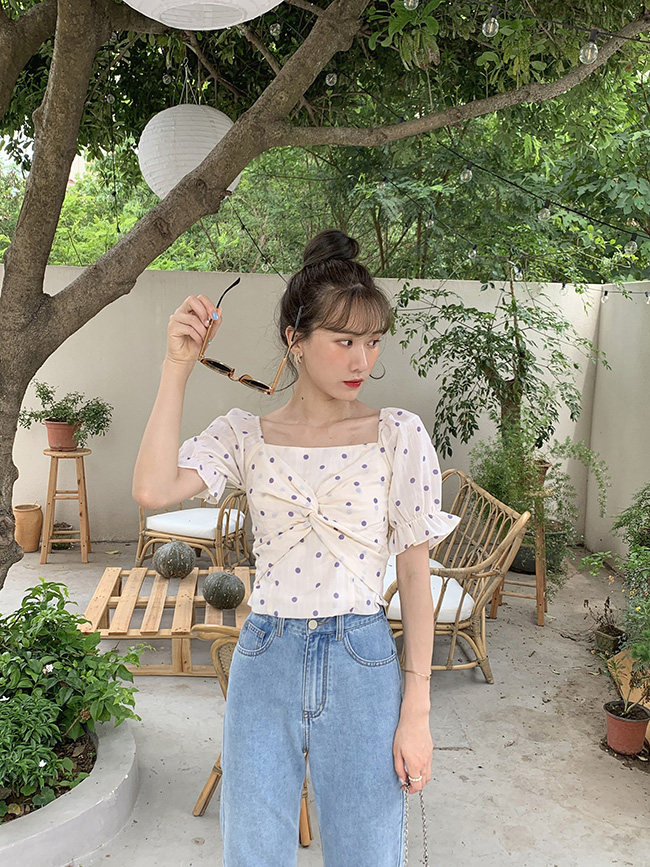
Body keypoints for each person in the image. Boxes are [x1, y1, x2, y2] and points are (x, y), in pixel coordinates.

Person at [132, 229, 460, 866]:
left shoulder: (398, 435)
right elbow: (152, 487)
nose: (362, 359)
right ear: (296, 340)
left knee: (368, 853)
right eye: (344, 341)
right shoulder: (244, 434)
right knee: (253, 853)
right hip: (267, 658)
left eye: (372, 341)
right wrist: (177, 367)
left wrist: (416, 712)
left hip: (363, 658)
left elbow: (416, 577)